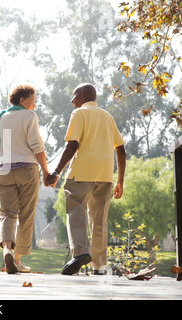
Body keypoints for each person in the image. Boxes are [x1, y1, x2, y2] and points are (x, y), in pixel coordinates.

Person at [45, 83, 126, 275]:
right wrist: (120, 181)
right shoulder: (107, 116)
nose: (72, 100)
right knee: (99, 220)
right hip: (105, 175)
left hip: (81, 172)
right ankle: (100, 266)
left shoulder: (79, 113)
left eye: (74, 96)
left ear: (83, 95)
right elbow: (121, 149)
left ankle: (80, 252)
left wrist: (56, 172)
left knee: (75, 207)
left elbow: (72, 145)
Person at [0, 84, 49, 274]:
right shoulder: (29, 116)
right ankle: (16, 260)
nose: (33, 106)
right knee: (26, 215)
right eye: (32, 101)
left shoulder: (1, 117)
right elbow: (36, 146)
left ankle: (7, 250)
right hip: (26, 168)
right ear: (22, 100)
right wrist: (46, 171)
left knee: (7, 213)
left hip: (3, 169)